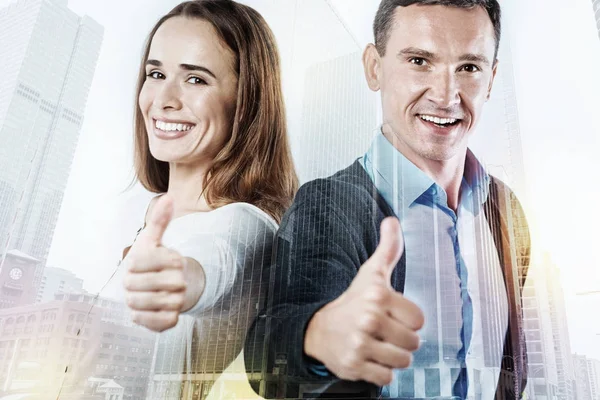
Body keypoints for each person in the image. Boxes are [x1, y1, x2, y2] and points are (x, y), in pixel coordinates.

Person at [245, 0, 530, 399]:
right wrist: (322, 336)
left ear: (492, 77)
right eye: (419, 61)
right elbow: (271, 344)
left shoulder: (503, 208)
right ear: (374, 68)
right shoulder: (330, 205)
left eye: (469, 67)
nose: (446, 95)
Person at [119, 0, 297, 397]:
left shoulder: (244, 224)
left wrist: (181, 279)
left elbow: (216, 264)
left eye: (195, 79)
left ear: (246, 101)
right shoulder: (150, 216)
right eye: (156, 73)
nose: (164, 98)